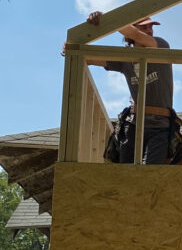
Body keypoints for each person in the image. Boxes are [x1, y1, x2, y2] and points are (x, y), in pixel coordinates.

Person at [64, 11, 175, 164]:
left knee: (151, 172)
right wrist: (71, 48)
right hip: (134, 123)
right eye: (144, 28)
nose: (150, 31)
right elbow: (88, 58)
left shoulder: (161, 46)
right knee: (124, 171)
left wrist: (108, 20)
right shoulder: (125, 59)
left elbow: (138, 36)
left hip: (160, 124)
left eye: (151, 27)